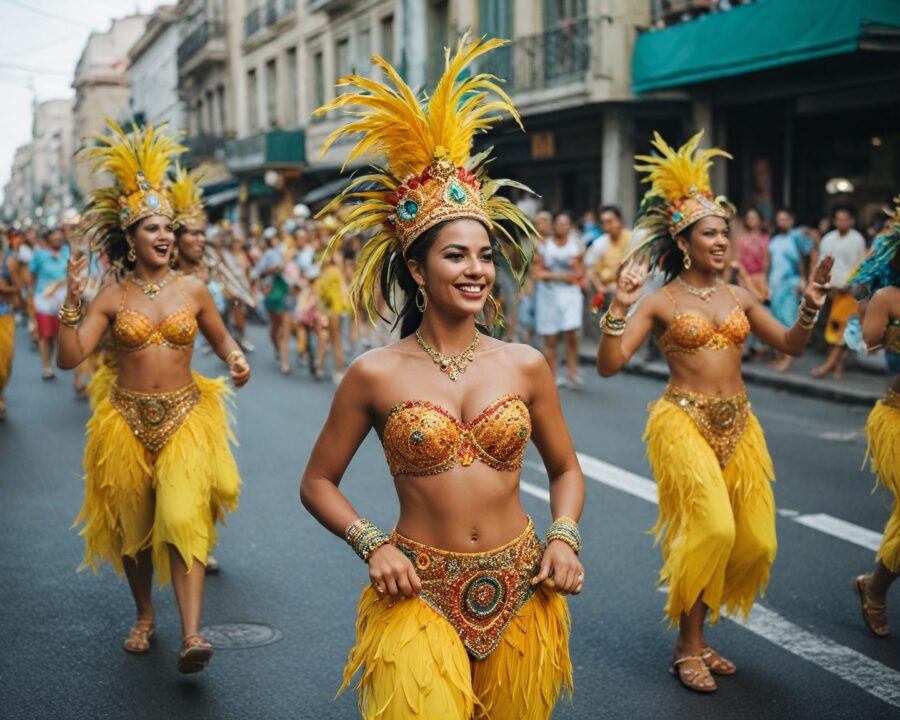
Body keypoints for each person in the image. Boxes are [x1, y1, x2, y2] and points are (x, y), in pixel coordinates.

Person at [300, 36, 583, 719]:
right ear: (418, 270)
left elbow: (567, 470)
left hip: (523, 588)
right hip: (415, 590)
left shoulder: (525, 363)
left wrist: (566, 536)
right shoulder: (374, 373)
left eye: (485, 255)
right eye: (455, 255)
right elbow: (316, 483)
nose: (476, 270)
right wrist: (371, 545)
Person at [596, 131, 832, 693]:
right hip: (682, 420)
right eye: (711, 233)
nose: (723, 241)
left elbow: (791, 347)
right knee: (710, 528)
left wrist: (810, 308)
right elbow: (609, 364)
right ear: (684, 242)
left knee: (755, 542)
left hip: (740, 421)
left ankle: (702, 634)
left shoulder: (742, 296)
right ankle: (687, 645)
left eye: (726, 232)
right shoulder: (659, 300)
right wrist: (619, 306)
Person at [61, 121, 250, 673]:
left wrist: (236, 359)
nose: (165, 236)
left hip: (187, 415)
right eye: (152, 228)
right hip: (124, 418)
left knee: (181, 513)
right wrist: (73, 303)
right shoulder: (110, 295)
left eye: (168, 227)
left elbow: (222, 338)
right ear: (132, 237)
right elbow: (70, 357)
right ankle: (145, 614)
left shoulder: (193, 289)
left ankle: (193, 634)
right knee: (135, 528)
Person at [847, 199, 900, 637]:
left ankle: (873, 584)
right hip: (896, 420)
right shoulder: (889, 297)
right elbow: (869, 341)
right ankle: (877, 589)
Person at [813, 206, 866, 379]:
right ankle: (837, 365)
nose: (841, 222)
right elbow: (820, 264)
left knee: (841, 328)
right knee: (830, 328)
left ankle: (828, 366)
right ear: (834, 221)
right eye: (838, 218)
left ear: (851, 221)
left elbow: (862, 264)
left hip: (848, 291)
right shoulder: (828, 239)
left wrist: (857, 286)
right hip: (830, 290)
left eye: (845, 219)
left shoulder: (857, 239)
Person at [533, 211, 585, 388]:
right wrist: (562, 277)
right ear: (554, 225)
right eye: (559, 223)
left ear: (569, 226)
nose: (562, 227)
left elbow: (579, 273)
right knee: (551, 339)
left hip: (570, 295)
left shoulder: (575, 245)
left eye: (566, 224)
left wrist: (555, 275)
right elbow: (537, 273)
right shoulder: (544, 245)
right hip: (548, 296)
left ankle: (572, 374)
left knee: (572, 334)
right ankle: (552, 377)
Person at [768, 208, 813, 371]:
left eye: (785, 219)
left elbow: (807, 257)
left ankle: (787, 360)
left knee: (788, 322)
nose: (782, 222)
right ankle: (780, 357)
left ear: (791, 220)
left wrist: (804, 280)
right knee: (776, 322)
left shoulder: (797, 237)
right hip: (776, 285)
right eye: (779, 219)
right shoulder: (774, 240)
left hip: (791, 285)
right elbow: (771, 264)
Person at [30, 225, 70, 379]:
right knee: (45, 335)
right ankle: (46, 367)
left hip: (64, 300)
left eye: (59, 235)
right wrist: (31, 298)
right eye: (53, 235)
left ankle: (59, 361)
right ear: (47, 239)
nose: (57, 238)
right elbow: (32, 277)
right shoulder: (40, 255)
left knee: (60, 335)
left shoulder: (68, 251)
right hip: (44, 300)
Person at [584, 205, 633, 304]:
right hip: (608, 294)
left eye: (610, 221)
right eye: (603, 223)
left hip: (632, 291)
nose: (607, 226)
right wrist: (600, 287)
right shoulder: (599, 244)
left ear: (620, 221)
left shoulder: (633, 239)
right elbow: (589, 269)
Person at [0, 232, 20, 419]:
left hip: (4, 316)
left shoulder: (9, 261)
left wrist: (6, 289)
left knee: (4, 360)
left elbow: (18, 287)